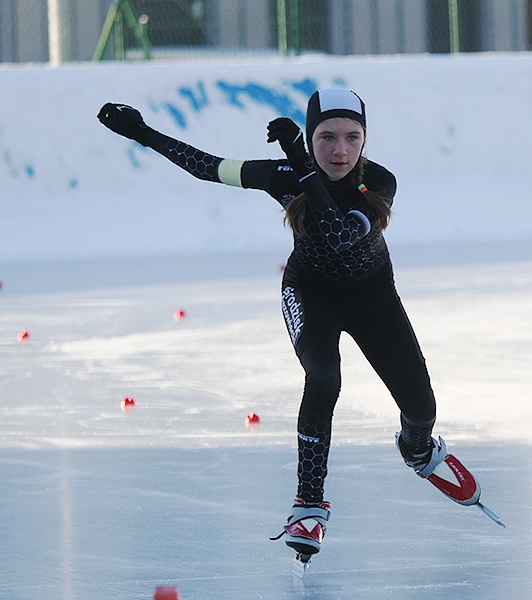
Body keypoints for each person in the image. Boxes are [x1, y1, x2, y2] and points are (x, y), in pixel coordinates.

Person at [97, 89, 485, 560]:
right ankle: (308, 503)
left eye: (351, 137)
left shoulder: (377, 182)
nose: (339, 150)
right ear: (313, 134)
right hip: (310, 293)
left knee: (421, 407)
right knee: (323, 378)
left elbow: (341, 234)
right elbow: (207, 165)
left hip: (372, 296)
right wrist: (142, 133)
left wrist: (303, 163)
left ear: (365, 140)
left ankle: (419, 450)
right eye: (326, 137)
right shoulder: (283, 173)